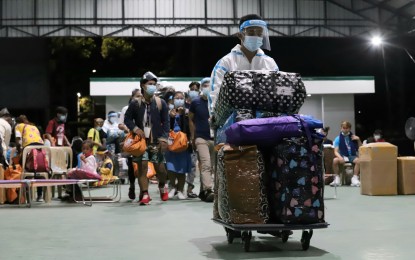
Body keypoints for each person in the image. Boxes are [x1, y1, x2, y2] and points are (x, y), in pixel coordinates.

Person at [209, 14, 279, 115]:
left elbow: (276, 93)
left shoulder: (270, 63)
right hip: (233, 122)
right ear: (240, 35)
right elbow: (215, 94)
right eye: (251, 32)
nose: (256, 36)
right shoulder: (226, 62)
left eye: (259, 33)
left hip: (264, 122)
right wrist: (215, 120)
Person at [124, 71, 170, 205]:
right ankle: (145, 193)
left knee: (160, 168)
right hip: (141, 142)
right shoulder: (135, 103)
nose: (152, 87)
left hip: (156, 141)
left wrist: (164, 139)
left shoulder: (161, 103)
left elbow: (166, 122)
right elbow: (127, 119)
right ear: (142, 86)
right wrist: (135, 128)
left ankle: (162, 185)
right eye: (150, 84)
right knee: (142, 166)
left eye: (154, 84)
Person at [189, 78, 215, 202]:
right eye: (204, 85)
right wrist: (192, 137)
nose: (207, 87)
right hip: (201, 137)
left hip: (214, 138)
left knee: (213, 166)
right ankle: (209, 189)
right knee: (206, 164)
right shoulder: (195, 102)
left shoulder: (216, 102)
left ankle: (202, 191)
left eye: (209, 85)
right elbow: (191, 119)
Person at [165, 91, 192, 200]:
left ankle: (181, 190)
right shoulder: (169, 112)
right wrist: (171, 117)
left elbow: (189, 127)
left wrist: (182, 116)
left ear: (184, 100)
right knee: (170, 167)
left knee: (182, 168)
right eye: (177, 98)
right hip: (171, 143)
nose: (179, 99)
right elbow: (166, 126)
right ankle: (173, 187)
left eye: (181, 98)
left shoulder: (187, 113)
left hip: (183, 143)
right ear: (173, 100)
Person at [14, 115, 46, 202]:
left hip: (28, 147)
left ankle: (26, 194)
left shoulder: (18, 126)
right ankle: (40, 195)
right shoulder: (33, 126)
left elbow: (18, 141)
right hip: (41, 147)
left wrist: (19, 151)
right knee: (39, 169)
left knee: (25, 169)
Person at [330, 121, 362, 187]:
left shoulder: (353, 137)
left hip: (352, 155)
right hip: (343, 155)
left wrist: (358, 140)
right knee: (335, 160)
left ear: (349, 128)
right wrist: (340, 157)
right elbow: (335, 151)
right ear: (341, 128)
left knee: (358, 161)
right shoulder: (338, 138)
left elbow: (361, 147)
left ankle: (355, 178)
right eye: (343, 128)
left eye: (347, 128)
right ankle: (337, 178)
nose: (345, 129)